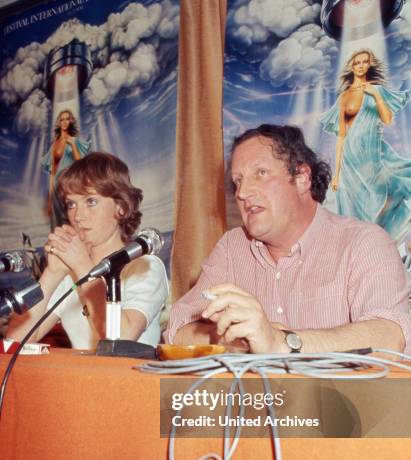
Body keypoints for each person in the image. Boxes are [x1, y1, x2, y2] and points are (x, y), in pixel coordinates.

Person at [165, 124, 411, 354]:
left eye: (260, 173)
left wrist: (282, 342)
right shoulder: (232, 247)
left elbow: (389, 335)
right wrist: (244, 340)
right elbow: (178, 330)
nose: (242, 193)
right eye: (237, 181)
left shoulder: (365, 243)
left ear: (302, 178)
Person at [8, 152, 168, 350]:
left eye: (91, 201)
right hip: (82, 378)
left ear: (121, 207)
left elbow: (121, 340)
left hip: (129, 379)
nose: (78, 216)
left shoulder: (146, 267)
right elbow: (13, 342)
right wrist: (52, 273)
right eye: (71, 204)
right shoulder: (70, 275)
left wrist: (82, 265)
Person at [320, 48, 411, 239]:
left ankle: (380, 242)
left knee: (377, 199)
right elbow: (341, 137)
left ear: (369, 65)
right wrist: (336, 175)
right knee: (352, 207)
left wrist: (376, 96)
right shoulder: (344, 96)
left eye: (364, 62)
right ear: (351, 66)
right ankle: (361, 247)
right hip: (349, 159)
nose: (361, 65)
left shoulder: (377, 90)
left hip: (371, 155)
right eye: (357, 62)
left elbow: (387, 120)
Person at [42, 109, 90, 229]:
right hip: (56, 187)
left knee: (72, 216)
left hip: (70, 184)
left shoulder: (75, 140)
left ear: (71, 121)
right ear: (58, 123)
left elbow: (80, 164)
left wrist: (73, 144)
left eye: (67, 119)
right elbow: (52, 173)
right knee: (57, 221)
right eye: (62, 119)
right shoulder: (54, 145)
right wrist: (49, 199)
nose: (64, 122)